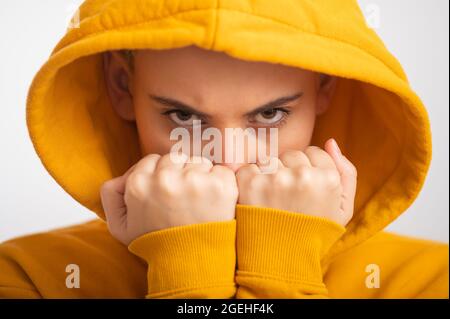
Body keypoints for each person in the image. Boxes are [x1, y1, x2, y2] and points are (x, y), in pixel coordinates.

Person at [0, 0, 447, 298]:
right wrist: (186, 261)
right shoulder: (30, 276)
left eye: (270, 115)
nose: (229, 160)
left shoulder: (430, 281)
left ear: (325, 87)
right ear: (122, 87)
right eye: (183, 118)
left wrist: (284, 257)